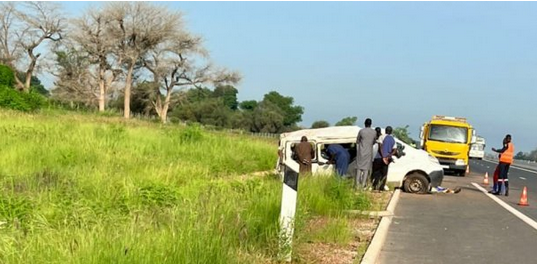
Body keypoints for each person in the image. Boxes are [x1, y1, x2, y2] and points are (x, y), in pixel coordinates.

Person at [371, 126, 396, 191]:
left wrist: (383, 156)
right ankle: (381, 188)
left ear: (385, 130)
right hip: (387, 159)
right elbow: (395, 150)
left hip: (379, 158)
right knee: (384, 174)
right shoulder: (392, 139)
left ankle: (375, 186)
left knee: (377, 173)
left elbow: (380, 147)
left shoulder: (381, 137)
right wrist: (389, 155)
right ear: (391, 131)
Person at [355, 118, 377, 190]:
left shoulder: (361, 131)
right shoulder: (374, 132)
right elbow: (374, 141)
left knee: (359, 168)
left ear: (365, 123)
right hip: (368, 152)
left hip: (361, 152)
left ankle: (357, 185)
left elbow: (357, 141)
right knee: (366, 169)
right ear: (371, 124)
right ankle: (363, 185)